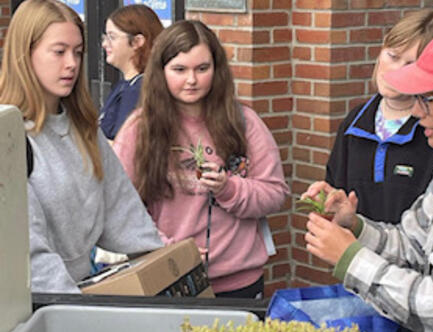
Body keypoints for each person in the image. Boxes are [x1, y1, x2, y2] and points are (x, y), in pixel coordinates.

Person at [303, 26, 433, 332]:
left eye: (429, 99)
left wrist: (352, 259)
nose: (417, 110)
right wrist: (354, 225)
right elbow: (411, 245)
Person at [113, 20, 289, 298]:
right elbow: (120, 211)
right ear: (161, 72)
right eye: (180, 70)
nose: (192, 80)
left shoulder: (244, 122)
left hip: (238, 282)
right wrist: (173, 251)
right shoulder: (138, 130)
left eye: (202, 69)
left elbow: (275, 193)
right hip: (168, 279)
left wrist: (228, 189)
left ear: (217, 69)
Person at [0, 0, 164, 293]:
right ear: (25, 54)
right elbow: (31, 257)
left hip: (77, 294)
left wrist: (166, 267)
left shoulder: (84, 128)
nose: (72, 64)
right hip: (32, 304)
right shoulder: (8, 137)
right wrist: (79, 312)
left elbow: (123, 214)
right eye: (59, 52)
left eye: (77, 52)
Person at [325, 9, 433, 223]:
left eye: (411, 64)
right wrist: (327, 200)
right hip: (354, 252)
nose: (396, 71)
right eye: (392, 55)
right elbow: (336, 189)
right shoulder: (355, 121)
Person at [99, 4, 163, 141]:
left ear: (137, 42)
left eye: (112, 37)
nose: (105, 44)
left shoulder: (138, 90)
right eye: (105, 37)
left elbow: (122, 147)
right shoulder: (127, 84)